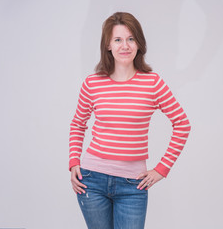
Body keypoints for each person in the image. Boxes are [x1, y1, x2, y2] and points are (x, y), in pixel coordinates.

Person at [69, 12, 191, 229]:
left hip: (132, 185)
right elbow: (78, 124)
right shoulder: (92, 83)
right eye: (118, 40)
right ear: (108, 45)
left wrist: (162, 169)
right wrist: (73, 162)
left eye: (131, 39)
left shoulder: (152, 83)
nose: (124, 45)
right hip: (91, 179)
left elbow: (182, 123)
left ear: (138, 44)